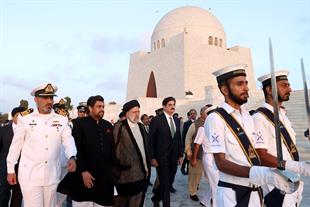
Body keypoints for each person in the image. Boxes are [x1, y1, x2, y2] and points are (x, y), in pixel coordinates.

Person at [205, 64, 296, 207]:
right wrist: (260, 173)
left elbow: (257, 153)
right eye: (240, 84)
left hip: (255, 191)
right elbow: (221, 163)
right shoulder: (216, 118)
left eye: (246, 83)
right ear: (225, 90)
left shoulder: (248, 116)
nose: (246, 88)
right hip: (232, 194)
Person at [6, 83, 77, 207]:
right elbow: (15, 146)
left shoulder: (61, 119)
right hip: (30, 175)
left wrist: (72, 156)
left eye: (51, 98)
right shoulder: (25, 119)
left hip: (52, 175)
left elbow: (68, 140)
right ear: (36, 99)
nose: (49, 101)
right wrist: (11, 169)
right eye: (45, 97)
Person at [253, 71, 310, 206]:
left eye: (289, 85)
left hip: (292, 180)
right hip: (276, 185)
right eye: (284, 85)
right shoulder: (259, 118)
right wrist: (297, 166)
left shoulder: (283, 115)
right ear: (270, 89)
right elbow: (261, 155)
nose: (290, 89)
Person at [58, 95, 115, 207]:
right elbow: (76, 149)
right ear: (90, 108)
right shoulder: (79, 124)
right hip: (84, 177)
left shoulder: (107, 125)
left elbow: (111, 150)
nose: (102, 109)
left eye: (103, 106)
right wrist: (83, 171)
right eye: (98, 106)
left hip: (103, 178)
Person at [113, 100, 151, 207]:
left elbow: (144, 150)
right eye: (134, 112)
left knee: (137, 202)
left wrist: (146, 167)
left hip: (141, 174)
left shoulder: (141, 127)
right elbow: (113, 149)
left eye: (138, 111)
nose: (137, 114)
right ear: (127, 113)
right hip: (124, 176)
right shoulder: (119, 127)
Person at [150, 97, 183, 207]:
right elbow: (151, 141)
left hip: (173, 158)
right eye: (169, 104)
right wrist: (152, 157)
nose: (172, 106)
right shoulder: (156, 120)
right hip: (161, 158)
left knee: (168, 183)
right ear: (164, 106)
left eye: (173, 104)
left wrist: (180, 155)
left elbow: (178, 139)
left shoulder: (177, 120)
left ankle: (155, 198)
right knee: (165, 185)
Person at [191, 105, 219, 207]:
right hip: (208, 158)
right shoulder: (202, 129)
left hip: (218, 158)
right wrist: (193, 159)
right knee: (216, 184)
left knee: (216, 182)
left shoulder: (217, 128)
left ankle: (205, 201)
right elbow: (197, 144)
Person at [0, 107, 25, 207]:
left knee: (18, 196)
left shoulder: (29, 131)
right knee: (3, 195)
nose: (22, 118)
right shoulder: (3, 130)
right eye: (19, 116)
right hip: (5, 169)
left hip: (22, 169)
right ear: (13, 117)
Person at [184, 106, 208, 202]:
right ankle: (192, 192)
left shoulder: (210, 123)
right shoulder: (194, 125)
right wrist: (188, 152)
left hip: (208, 155)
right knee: (194, 174)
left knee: (205, 175)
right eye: (207, 112)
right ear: (201, 113)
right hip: (197, 155)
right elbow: (188, 139)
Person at [181, 109, 197, 175]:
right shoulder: (186, 123)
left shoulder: (198, 123)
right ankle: (188, 171)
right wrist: (184, 146)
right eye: (191, 114)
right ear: (189, 115)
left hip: (196, 145)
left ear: (196, 114)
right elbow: (184, 135)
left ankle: (187, 169)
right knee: (188, 158)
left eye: (194, 113)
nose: (193, 115)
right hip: (189, 144)